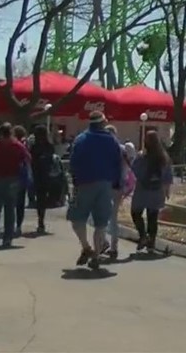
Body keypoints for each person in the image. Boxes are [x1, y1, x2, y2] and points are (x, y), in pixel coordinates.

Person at [67, 111, 122, 270]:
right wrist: (116, 184)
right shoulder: (112, 141)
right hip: (105, 184)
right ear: (103, 123)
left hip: (83, 184)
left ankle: (86, 246)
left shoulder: (81, 139)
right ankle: (96, 256)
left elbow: (73, 162)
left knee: (77, 218)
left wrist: (74, 179)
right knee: (101, 222)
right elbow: (117, 163)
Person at [130, 131, 173, 253]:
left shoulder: (142, 157)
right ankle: (151, 242)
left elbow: (134, 170)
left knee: (136, 213)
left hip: (142, 190)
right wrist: (167, 191)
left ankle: (143, 236)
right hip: (157, 190)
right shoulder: (164, 158)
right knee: (152, 217)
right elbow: (167, 177)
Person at [29, 125, 58, 234]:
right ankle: (41, 220)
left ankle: (40, 219)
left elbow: (32, 161)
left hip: (38, 175)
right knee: (43, 199)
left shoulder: (34, 146)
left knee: (40, 198)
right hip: (47, 175)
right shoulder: (49, 146)